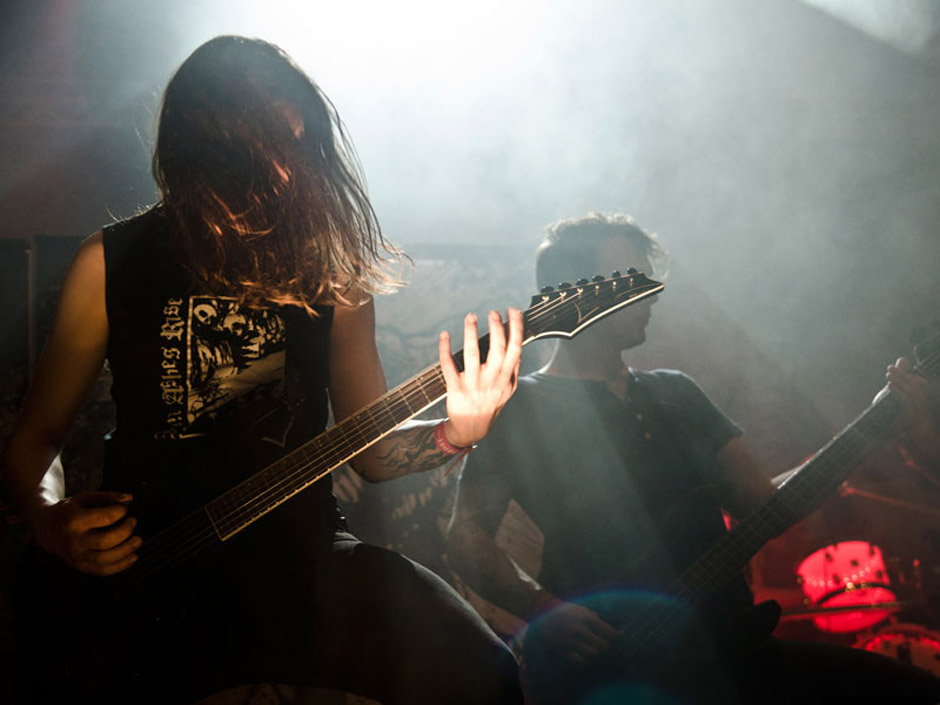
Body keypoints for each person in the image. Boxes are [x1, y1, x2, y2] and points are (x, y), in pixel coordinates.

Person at [0, 36, 525, 704]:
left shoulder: (333, 278)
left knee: (488, 676)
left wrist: (457, 432)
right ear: (205, 140)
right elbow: (32, 443)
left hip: (303, 561)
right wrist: (51, 522)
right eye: (271, 141)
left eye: (302, 145)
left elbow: (376, 454)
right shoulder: (109, 262)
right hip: (148, 568)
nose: (289, 169)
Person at [446, 212, 940, 704]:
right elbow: (465, 535)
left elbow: (764, 505)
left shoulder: (676, 392)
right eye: (633, 278)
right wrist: (545, 610)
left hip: (729, 649)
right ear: (578, 291)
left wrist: (877, 427)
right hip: (612, 668)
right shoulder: (520, 408)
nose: (653, 292)